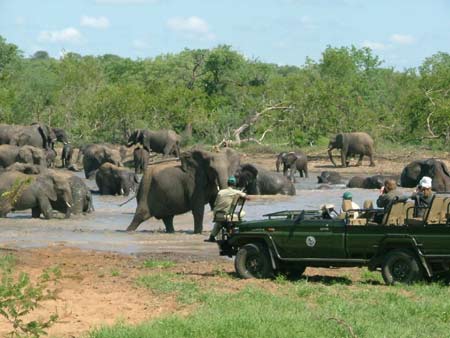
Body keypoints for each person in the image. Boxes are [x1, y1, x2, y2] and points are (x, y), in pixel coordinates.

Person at [204, 176, 249, 242]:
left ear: (227, 183)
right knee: (243, 213)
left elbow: (215, 203)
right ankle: (239, 231)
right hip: (226, 216)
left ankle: (212, 237)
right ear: (234, 184)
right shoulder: (235, 192)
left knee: (219, 223)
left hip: (217, 214)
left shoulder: (220, 192)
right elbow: (246, 197)